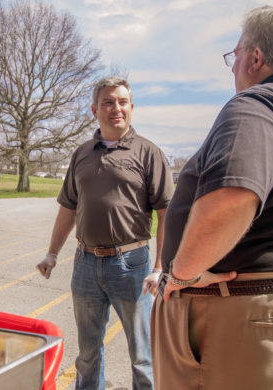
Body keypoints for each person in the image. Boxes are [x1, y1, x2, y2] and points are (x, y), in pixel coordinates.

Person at [152, 4, 273, 389]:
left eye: (236, 54)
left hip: (247, 318)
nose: (232, 66)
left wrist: (182, 273)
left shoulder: (260, 104)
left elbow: (231, 197)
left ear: (256, 57)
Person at [36, 76, 174, 390]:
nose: (116, 108)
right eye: (108, 102)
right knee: (87, 352)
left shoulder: (148, 153)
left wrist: (160, 268)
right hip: (85, 264)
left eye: (122, 102)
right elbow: (68, 207)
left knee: (142, 356)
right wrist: (52, 253)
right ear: (95, 109)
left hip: (132, 265)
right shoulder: (82, 153)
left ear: (132, 107)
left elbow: (167, 213)